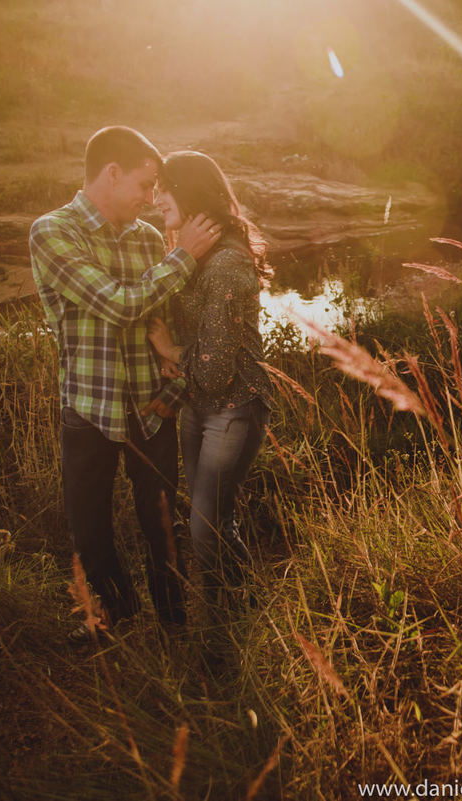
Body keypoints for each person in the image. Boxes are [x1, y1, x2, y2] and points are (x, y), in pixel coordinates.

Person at [29, 126, 221, 642]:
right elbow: (115, 304)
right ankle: (122, 621)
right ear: (111, 173)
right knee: (90, 531)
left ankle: (175, 625)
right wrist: (186, 258)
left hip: (150, 407)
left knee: (162, 525)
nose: (152, 197)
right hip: (88, 409)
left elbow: (167, 327)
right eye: (145, 184)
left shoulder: (149, 238)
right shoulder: (53, 232)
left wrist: (173, 395)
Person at [145, 150, 274, 616]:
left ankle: (234, 613)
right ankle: (236, 607)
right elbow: (202, 348)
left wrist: (169, 353)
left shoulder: (223, 265)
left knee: (205, 523)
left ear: (192, 190)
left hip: (233, 407)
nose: (156, 198)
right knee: (215, 518)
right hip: (199, 404)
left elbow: (217, 367)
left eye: (164, 186)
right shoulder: (198, 256)